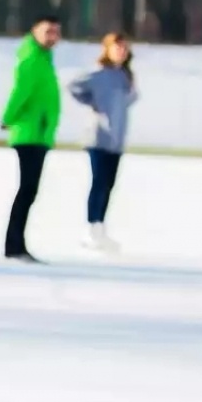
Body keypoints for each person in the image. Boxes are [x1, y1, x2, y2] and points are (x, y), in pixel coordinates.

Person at [66, 31, 138, 253]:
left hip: (116, 139)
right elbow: (74, 87)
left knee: (108, 185)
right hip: (98, 137)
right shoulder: (99, 74)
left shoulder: (125, 77)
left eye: (124, 48)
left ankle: (100, 227)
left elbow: (130, 99)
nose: (121, 52)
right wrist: (92, 102)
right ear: (107, 49)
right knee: (99, 183)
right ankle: (91, 227)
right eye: (117, 47)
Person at [0, 14, 61, 263]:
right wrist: (8, 117)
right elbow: (20, 90)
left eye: (56, 32)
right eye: (47, 31)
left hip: (39, 133)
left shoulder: (44, 58)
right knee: (27, 190)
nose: (52, 36)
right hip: (30, 133)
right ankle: (14, 246)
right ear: (35, 31)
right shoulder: (32, 59)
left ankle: (17, 244)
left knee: (29, 190)